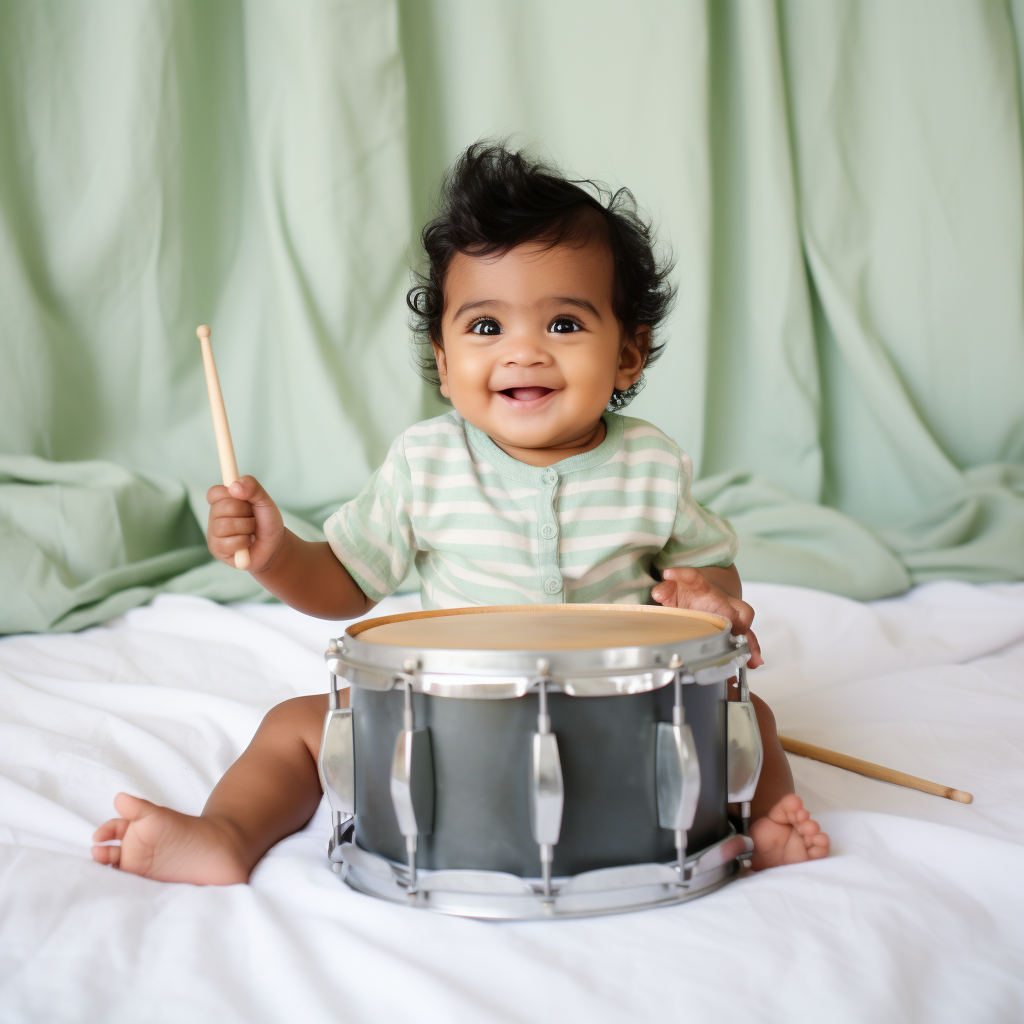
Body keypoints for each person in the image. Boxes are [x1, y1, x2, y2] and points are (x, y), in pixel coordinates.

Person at [92, 144, 829, 885]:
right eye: (485, 328)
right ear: (444, 365)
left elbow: (709, 566)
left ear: (628, 356)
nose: (524, 352)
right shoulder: (426, 465)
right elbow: (346, 582)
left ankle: (757, 828)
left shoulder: (652, 465)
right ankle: (225, 834)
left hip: (619, 721)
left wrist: (708, 595)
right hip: (449, 724)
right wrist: (281, 553)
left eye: (565, 325)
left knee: (752, 719)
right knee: (295, 725)